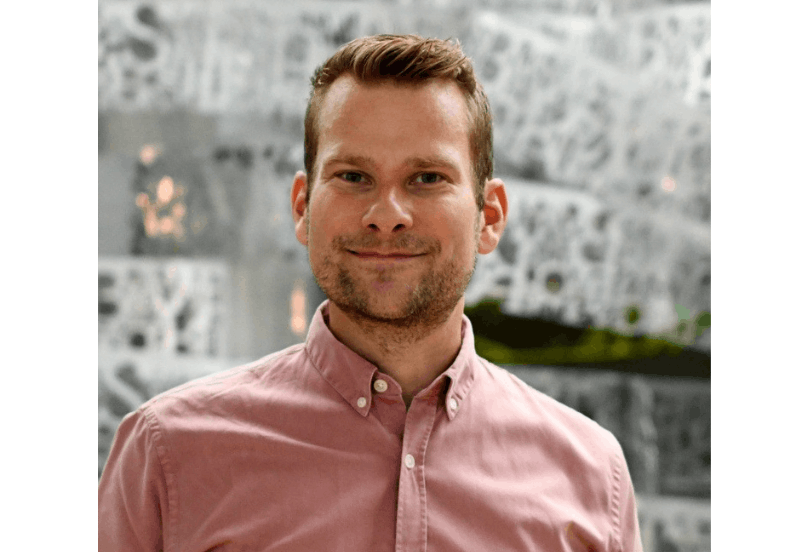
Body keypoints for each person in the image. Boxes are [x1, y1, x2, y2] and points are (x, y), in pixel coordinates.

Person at [99, 34, 644, 551]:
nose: (387, 215)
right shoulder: (167, 454)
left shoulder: (592, 477)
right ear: (302, 208)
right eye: (354, 176)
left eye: (427, 178)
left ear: (490, 216)